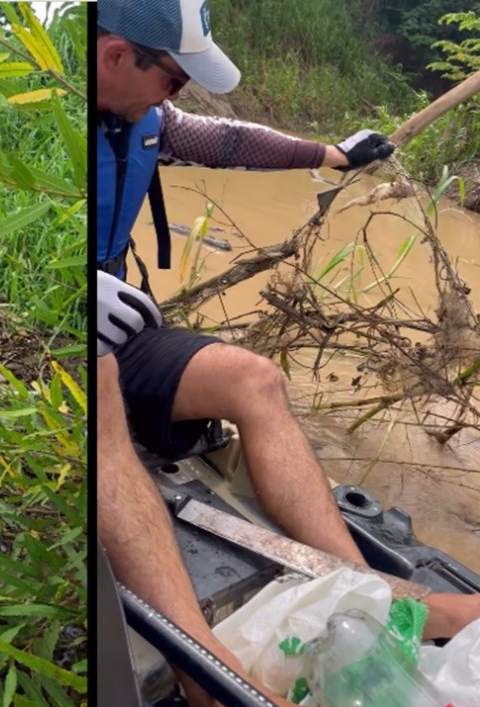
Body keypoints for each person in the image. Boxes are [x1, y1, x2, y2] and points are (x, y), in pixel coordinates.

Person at [94, 1, 480, 704]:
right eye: (175, 79)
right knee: (105, 436)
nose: (174, 97)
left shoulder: (142, 114)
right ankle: (204, 667)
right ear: (117, 55)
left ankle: (379, 595)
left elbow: (226, 141)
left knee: (253, 378)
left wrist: (331, 153)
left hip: (122, 328)